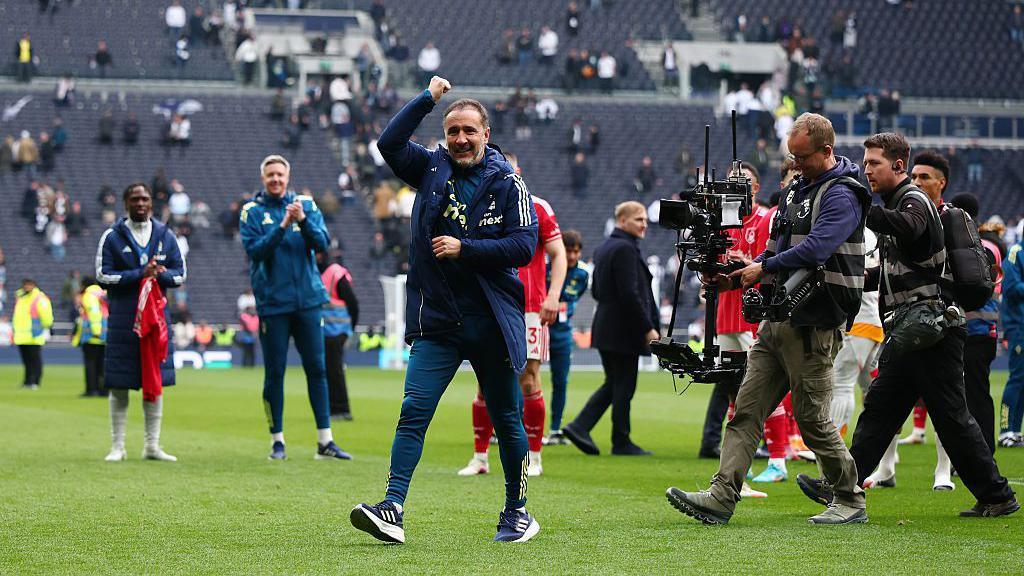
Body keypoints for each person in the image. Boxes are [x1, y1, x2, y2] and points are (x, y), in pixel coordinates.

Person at [350, 76, 540, 545]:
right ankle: (392, 506)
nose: (459, 139)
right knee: (414, 409)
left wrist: (465, 248)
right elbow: (388, 142)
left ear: (485, 135)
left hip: (491, 320)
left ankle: (517, 511)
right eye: (452, 130)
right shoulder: (430, 167)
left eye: (468, 131)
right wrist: (427, 99)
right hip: (437, 319)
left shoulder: (508, 182)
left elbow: (524, 245)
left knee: (506, 418)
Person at [796, 132, 1019, 519]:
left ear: (897, 166)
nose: (867, 171)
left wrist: (859, 205)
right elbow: (896, 270)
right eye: (865, 164)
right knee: (881, 411)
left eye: (873, 164)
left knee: (949, 419)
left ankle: (997, 494)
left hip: (931, 329)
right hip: (914, 330)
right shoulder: (897, 204)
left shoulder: (912, 200)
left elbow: (912, 228)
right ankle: (841, 484)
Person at [667, 113, 871, 525]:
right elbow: (776, 253)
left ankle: (850, 498)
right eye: (791, 158)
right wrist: (733, 279)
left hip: (814, 321)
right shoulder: (799, 188)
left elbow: (816, 248)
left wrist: (762, 268)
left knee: (812, 419)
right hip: (777, 317)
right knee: (746, 410)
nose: (795, 166)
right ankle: (721, 497)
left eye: (802, 158)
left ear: (826, 151)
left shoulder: (843, 193)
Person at [459, 153, 566, 478]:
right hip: (489, 305)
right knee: (483, 381)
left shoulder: (537, 206)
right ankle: (480, 458)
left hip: (529, 308)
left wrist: (552, 295)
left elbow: (558, 254)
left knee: (528, 379)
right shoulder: (476, 206)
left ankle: (534, 458)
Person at [240, 155, 352, 462]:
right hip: (273, 304)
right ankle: (278, 441)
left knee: (317, 369)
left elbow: (322, 245)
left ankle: (325, 441)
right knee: (275, 372)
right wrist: (283, 225)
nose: (275, 179)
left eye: (280, 174)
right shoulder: (252, 211)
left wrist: (301, 220)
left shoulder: (307, 206)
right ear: (263, 178)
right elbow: (255, 251)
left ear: (288, 177)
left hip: (307, 302)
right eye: (270, 175)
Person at [695, 163, 791, 490]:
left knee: (762, 389)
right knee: (735, 392)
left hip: (753, 316)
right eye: (733, 181)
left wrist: (744, 263)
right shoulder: (723, 224)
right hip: (725, 315)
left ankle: (778, 458)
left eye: (745, 182)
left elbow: (771, 264)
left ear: (756, 187)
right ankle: (740, 469)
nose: (738, 187)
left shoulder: (766, 219)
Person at [561, 201, 659, 456]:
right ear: (622, 220)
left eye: (645, 219)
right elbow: (630, 294)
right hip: (622, 330)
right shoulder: (625, 249)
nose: (644, 223)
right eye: (639, 219)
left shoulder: (606, 247)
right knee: (623, 386)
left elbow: (596, 290)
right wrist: (647, 328)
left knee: (616, 383)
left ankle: (583, 427)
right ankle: (618, 440)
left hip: (606, 326)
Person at [97, 183, 185, 462]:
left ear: (151, 203)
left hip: (157, 322)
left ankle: (152, 446)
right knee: (119, 384)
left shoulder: (165, 235)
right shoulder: (111, 237)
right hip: (124, 321)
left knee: (154, 382)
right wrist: (139, 273)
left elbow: (180, 274)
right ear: (126, 203)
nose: (141, 203)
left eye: (145, 198)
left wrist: (160, 275)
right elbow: (102, 276)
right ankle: (117, 446)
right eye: (135, 198)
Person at [543, 230, 590, 446]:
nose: (572, 256)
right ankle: (515, 427)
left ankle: (554, 430)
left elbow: (574, 299)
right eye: (568, 251)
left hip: (562, 334)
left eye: (576, 252)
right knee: (526, 378)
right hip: (541, 329)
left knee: (560, 382)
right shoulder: (546, 268)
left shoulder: (582, 274)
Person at [317, 251, 360, 421]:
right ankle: (333, 408)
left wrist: (350, 328)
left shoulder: (335, 273)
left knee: (334, 369)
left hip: (337, 330)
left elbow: (353, 303)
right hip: (327, 330)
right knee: (329, 369)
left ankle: (342, 409)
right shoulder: (320, 273)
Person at [12, 279, 53, 389]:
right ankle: (27, 380)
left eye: (29, 285)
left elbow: (46, 315)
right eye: (25, 285)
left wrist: (45, 326)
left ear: (34, 285)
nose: (27, 287)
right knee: (26, 360)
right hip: (22, 335)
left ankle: (35, 381)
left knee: (34, 359)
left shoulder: (39, 298)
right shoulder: (21, 297)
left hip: (34, 333)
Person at [72, 277, 108, 397]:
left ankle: (91, 390)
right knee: (102, 364)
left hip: (92, 335)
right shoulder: (102, 293)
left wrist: (96, 330)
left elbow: (93, 312)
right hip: (104, 334)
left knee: (90, 364)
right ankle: (103, 390)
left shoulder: (89, 295)